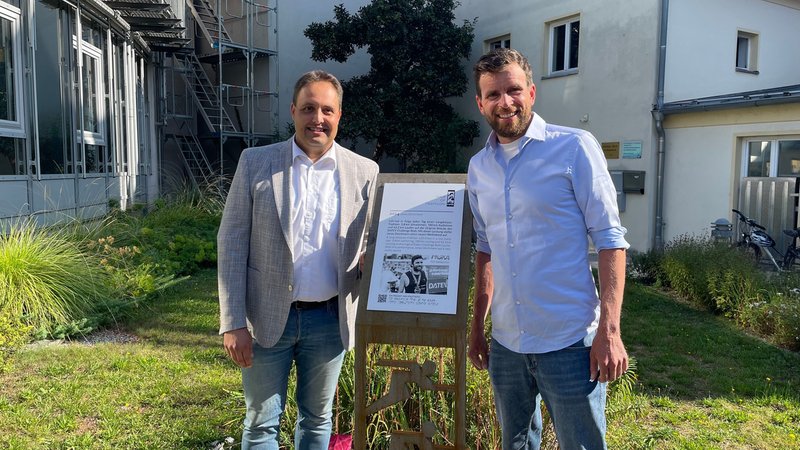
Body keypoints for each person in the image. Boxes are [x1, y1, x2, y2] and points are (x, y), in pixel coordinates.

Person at [466, 48, 630, 450]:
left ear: (532, 93)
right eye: (493, 94)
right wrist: (476, 326)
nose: (505, 102)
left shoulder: (574, 148)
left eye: (513, 90)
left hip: (569, 341)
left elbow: (610, 239)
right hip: (507, 344)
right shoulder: (478, 167)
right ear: (480, 102)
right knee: (516, 445)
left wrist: (609, 330)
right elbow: (486, 250)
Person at [217, 70, 379, 449]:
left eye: (326, 110)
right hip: (265, 317)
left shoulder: (364, 172)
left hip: (328, 321)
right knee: (260, 424)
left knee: (317, 420)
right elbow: (232, 242)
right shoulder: (256, 162)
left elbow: (370, 240)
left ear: (339, 115)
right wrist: (232, 322)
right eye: (308, 108)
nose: (317, 119)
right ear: (293, 111)